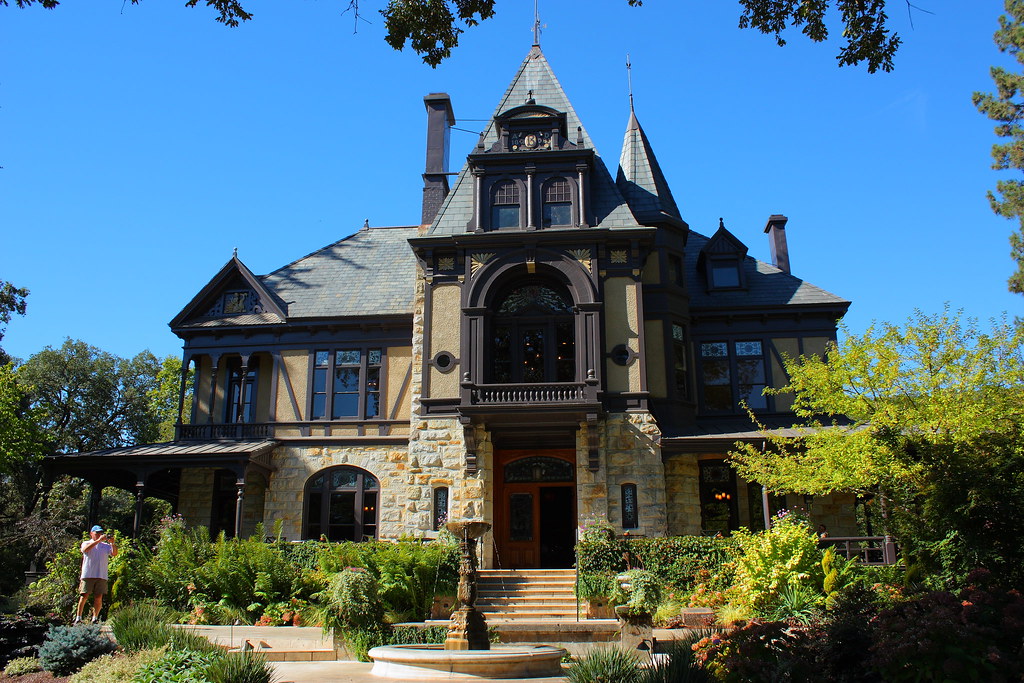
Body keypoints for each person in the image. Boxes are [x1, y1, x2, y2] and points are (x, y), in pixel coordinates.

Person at [74, 525, 117, 625]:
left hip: (101, 575)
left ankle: (95, 618)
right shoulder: (86, 543)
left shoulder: (105, 546)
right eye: (97, 533)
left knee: (98, 597)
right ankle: (78, 617)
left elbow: (114, 553)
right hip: (88, 574)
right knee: (84, 595)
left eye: (100, 533)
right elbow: (85, 550)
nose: (99, 535)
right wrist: (97, 541)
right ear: (91, 533)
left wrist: (113, 543)